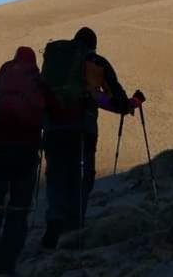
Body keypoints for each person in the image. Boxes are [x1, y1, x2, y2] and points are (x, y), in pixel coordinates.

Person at [40, 27, 132, 249]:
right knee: (82, 176)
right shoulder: (96, 62)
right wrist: (128, 104)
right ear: (93, 44)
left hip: (52, 128)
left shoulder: (56, 61)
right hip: (82, 128)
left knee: (55, 175)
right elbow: (116, 98)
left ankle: (54, 221)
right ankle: (73, 227)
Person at [0, 46, 46, 277]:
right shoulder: (38, 82)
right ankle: (6, 264)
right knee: (18, 210)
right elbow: (50, 112)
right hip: (25, 153)